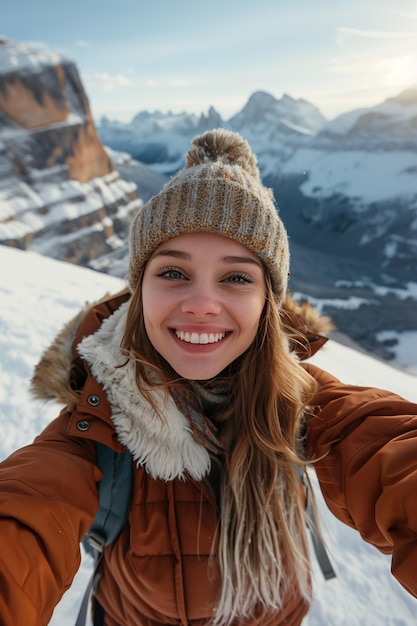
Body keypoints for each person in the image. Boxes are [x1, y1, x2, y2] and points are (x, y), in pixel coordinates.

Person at [0, 128, 416, 626]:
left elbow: (391, 453)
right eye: (173, 272)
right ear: (139, 291)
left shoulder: (301, 400)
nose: (200, 305)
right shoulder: (97, 420)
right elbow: (27, 511)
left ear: (268, 303)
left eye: (237, 277)